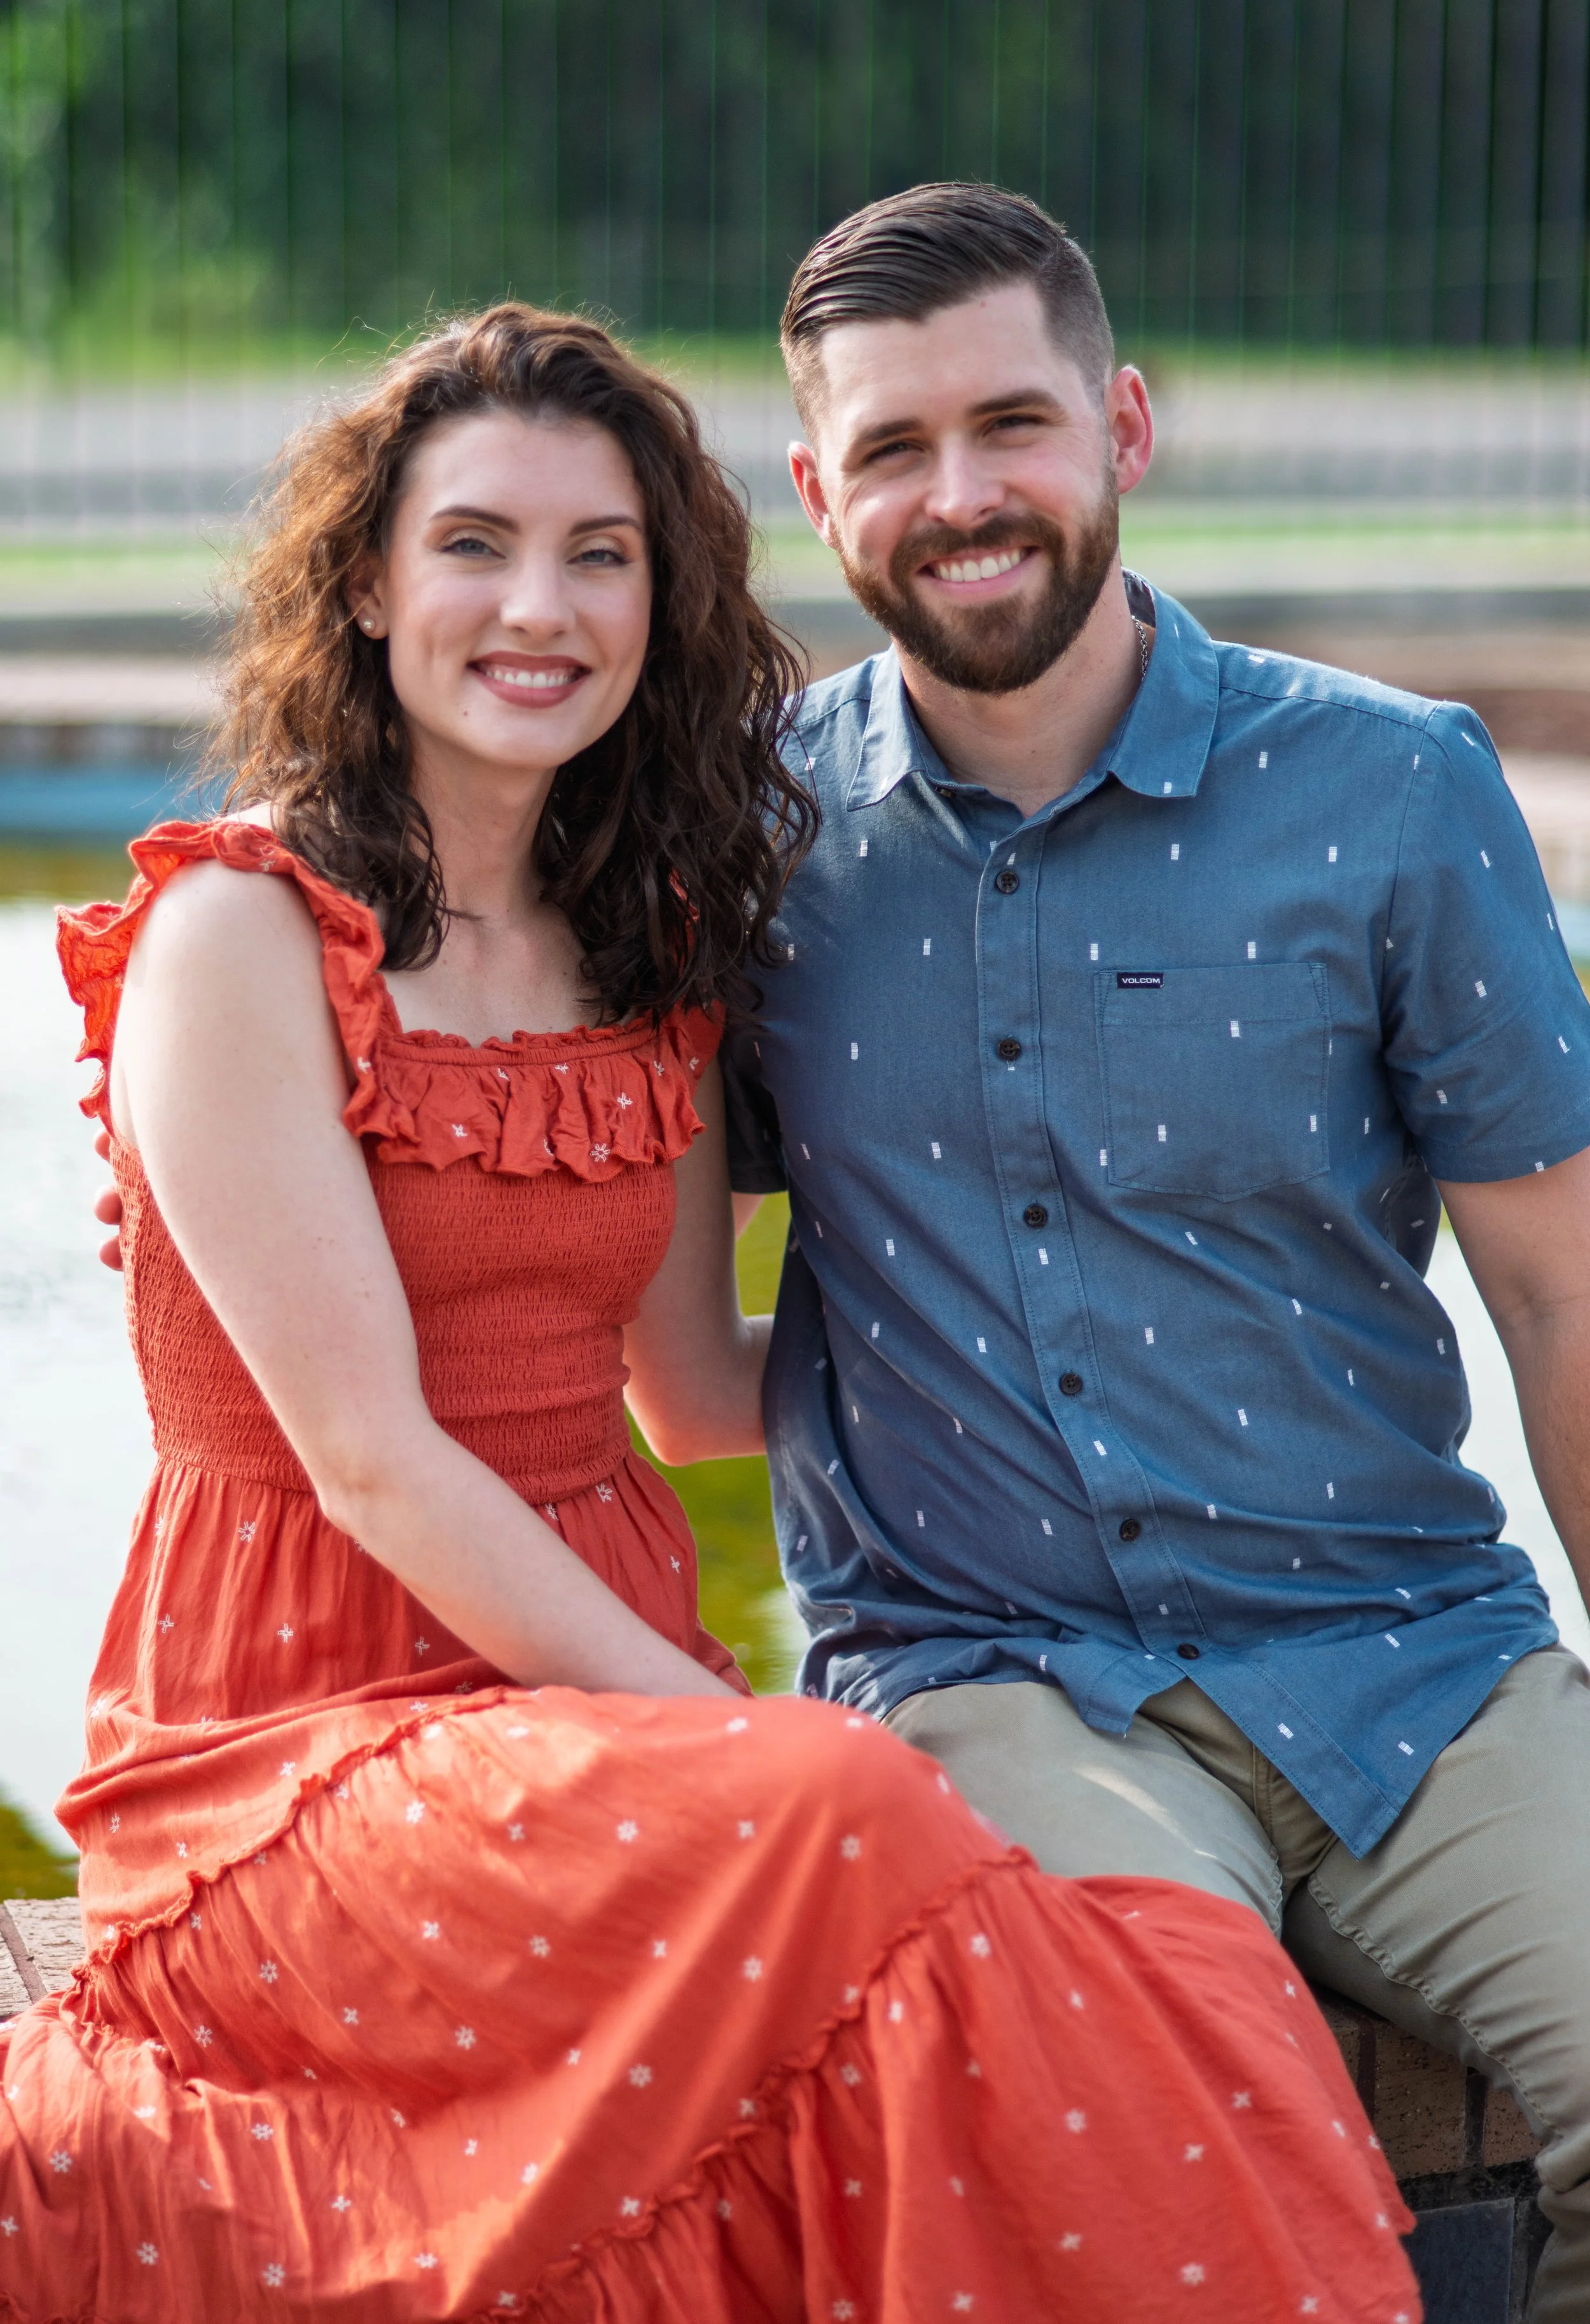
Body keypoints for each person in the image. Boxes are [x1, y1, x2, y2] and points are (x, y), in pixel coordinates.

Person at [2, 303, 1412, 2321]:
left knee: (1161, 1947)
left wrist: (1135, 1349)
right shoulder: (239, 934)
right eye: (475, 542)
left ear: (664, 605)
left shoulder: (639, 952)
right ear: (371, 582)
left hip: (597, 1717)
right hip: (288, 1752)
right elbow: (377, 1461)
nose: (538, 606)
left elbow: (692, 1393)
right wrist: (731, 1731)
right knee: (850, 1804)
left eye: (602, 555)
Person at [719, 181, 1590, 2321]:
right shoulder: (738, 848)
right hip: (991, 1679)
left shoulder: (1392, 794)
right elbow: (597, 1267)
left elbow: (1559, 1289)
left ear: (1120, 423)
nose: (962, 495)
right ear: (818, 491)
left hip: (1415, 1656)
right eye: (894, 450)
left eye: (1008, 422)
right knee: (1160, 2122)